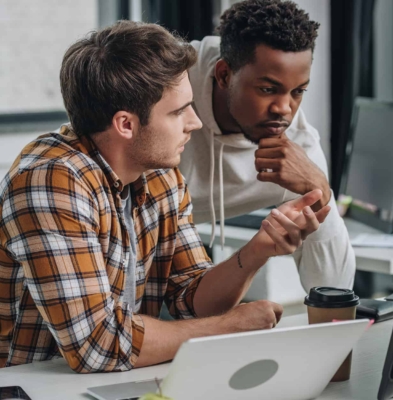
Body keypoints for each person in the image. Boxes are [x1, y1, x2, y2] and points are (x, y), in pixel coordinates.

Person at [0, 21, 329, 373]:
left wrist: (259, 249)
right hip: (28, 386)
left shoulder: (160, 175)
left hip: (108, 384)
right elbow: (97, 347)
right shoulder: (51, 181)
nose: (195, 123)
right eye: (177, 112)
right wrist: (228, 327)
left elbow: (192, 302)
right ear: (126, 124)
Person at [181, 0, 356, 292]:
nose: (284, 110)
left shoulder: (297, 144)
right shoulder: (169, 86)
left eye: (298, 91)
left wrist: (321, 192)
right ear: (224, 75)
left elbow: (333, 290)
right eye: (267, 89)